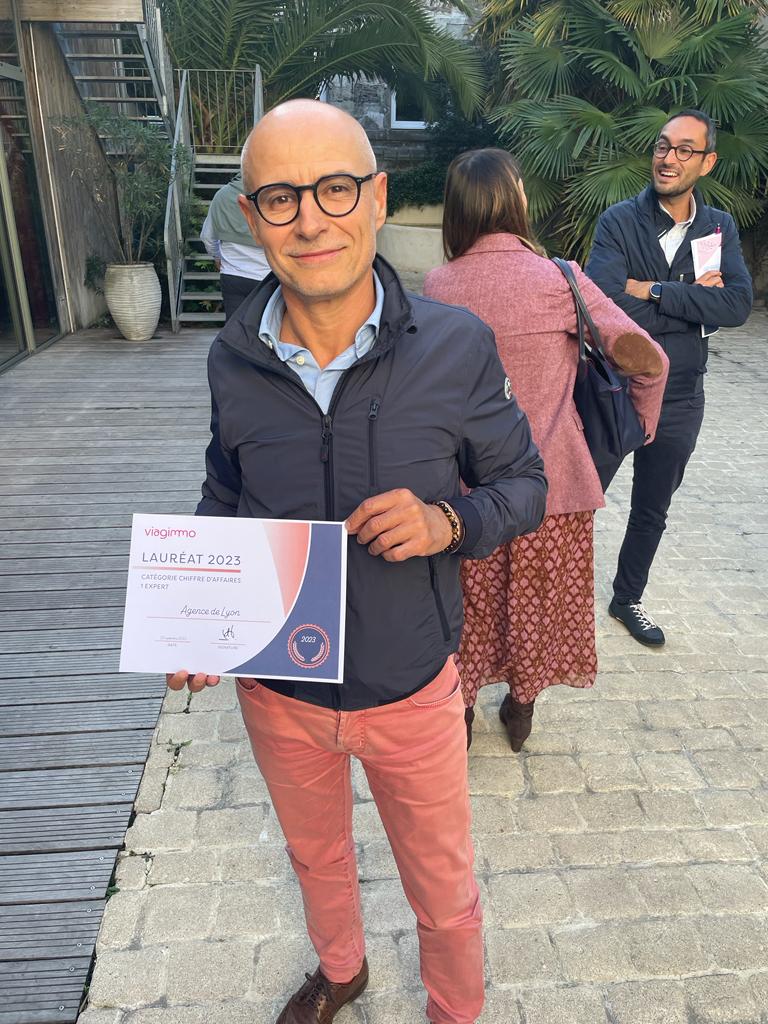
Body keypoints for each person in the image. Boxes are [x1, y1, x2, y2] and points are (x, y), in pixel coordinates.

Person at [167, 102, 547, 1024]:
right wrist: (195, 615)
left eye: (335, 189)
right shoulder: (232, 356)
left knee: (442, 886)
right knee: (316, 856)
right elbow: (225, 490)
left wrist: (448, 522)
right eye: (281, 197)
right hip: (280, 691)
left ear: (376, 198)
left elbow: (526, 485)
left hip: (410, 685)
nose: (311, 219)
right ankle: (342, 970)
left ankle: (454, 1010)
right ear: (252, 218)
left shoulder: (455, 346)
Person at [424, 149, 668, 751]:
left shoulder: (438, 286)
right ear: (518, 203)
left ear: (456, 210)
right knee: (537, 606)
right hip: (552, 486)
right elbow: (649, 359)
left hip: (465, 493)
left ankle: (457, 712)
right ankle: (522, 705)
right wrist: (641, 424)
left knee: (466, 607)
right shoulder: (560, 279)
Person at [585, 109, 753, 645]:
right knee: (581, 500)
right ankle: (555, 596)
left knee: (652, 508)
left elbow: (737, 305)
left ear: (707, 162)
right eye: (662, 146)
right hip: (615, 390)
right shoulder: (618, 221)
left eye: (684, 150)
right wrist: (693, 303)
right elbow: (604, 305)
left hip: (681, 395)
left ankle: (627, 598)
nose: (668, 158)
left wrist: (653, 290)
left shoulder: (718, 227)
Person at [200, 172, 271, 319]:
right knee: (269, 326)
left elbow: (207, 236)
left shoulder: (221, 195)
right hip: (267, 276)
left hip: (232, 274)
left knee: (234, 326)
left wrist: (217, 257)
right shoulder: (273, 196)